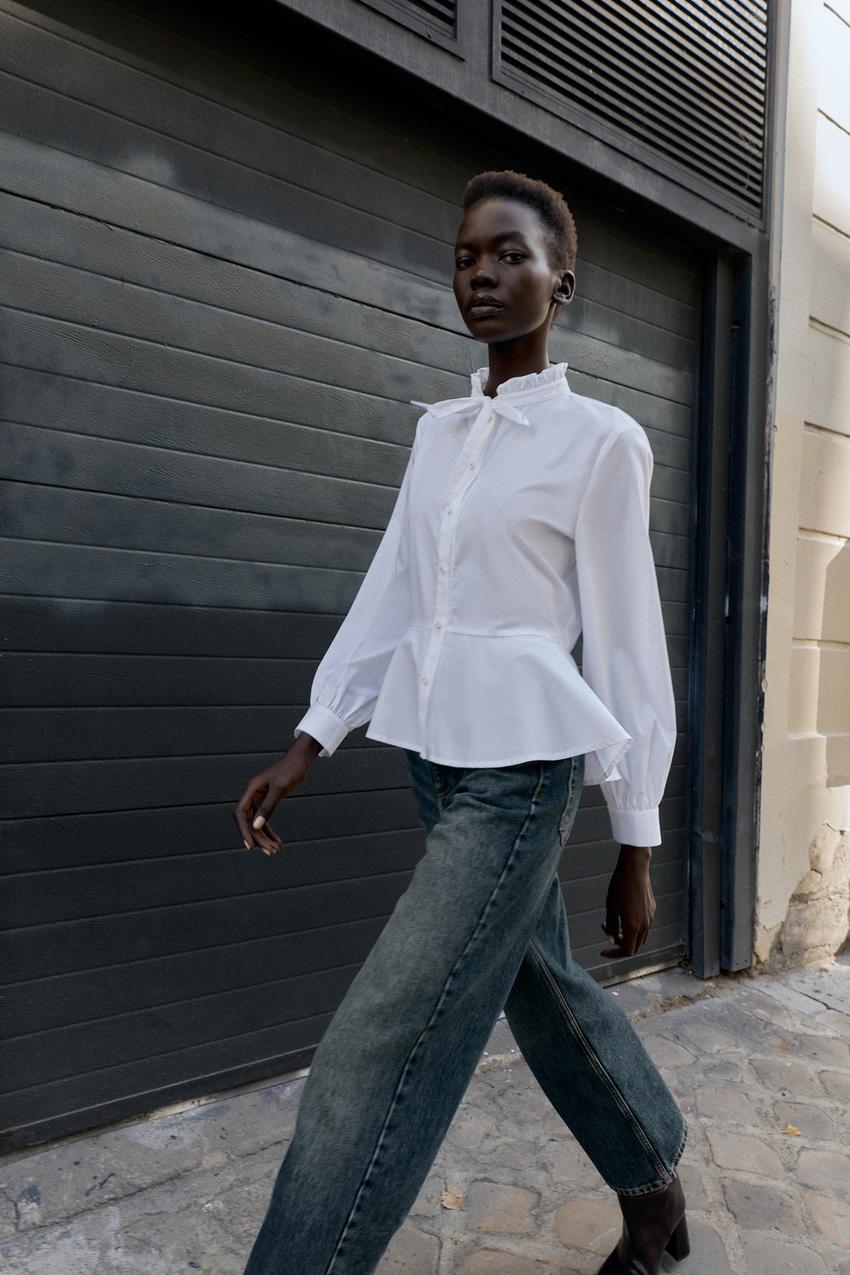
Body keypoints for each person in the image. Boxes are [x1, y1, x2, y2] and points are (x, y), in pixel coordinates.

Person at [234, 170, 689, 1275]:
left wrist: (636, 837)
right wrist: (314, 735)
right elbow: (392, 591)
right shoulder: (439, 436)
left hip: (523, 779)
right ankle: (655, 1199)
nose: (480, 274)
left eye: (509, 256)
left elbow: (629, 639)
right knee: (548, 996)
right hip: (436, 769)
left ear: (560, 282)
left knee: (375, 1043)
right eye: (465, 257)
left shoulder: (601, 441)